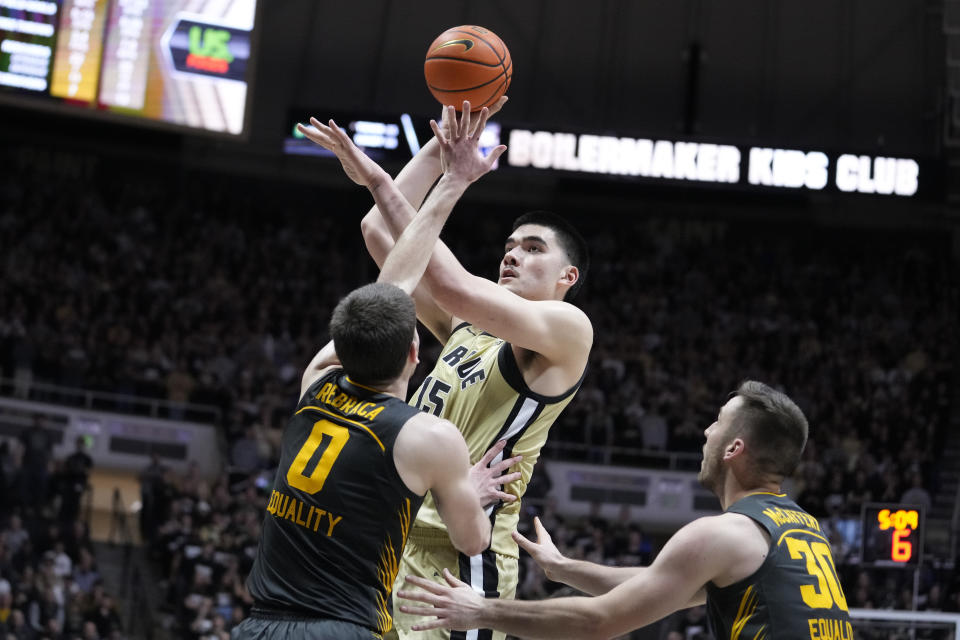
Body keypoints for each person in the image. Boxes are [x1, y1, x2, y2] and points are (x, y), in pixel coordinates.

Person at [233, 104, 514, 639]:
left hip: (261, 626)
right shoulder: (429, 436)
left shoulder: (316, 380)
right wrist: (465, 487)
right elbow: (475, 541)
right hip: (345, 628)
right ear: (415, 352)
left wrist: (427, 166)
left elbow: (393, 286)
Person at [358, 96, 593, 640]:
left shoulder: (568, 329)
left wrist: (412, 179)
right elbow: (378, 231)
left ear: (569, 277)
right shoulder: (468, 327)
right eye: (510, 246)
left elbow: (450, 284)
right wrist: (442, 148)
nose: (512, 255)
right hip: (396, 537)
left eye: (534, 249)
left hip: (461, 560)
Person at [398, 381, 855, 640]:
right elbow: (660, 585)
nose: (705, 431)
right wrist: (563, 569)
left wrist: (483, 611)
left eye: (717, 422)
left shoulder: (724, 534)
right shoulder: (802, 529)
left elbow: (600, 622)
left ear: (735, 447)